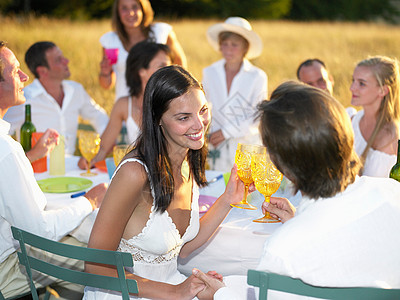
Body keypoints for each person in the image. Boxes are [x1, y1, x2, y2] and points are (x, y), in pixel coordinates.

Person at [191, 81, 400, 299]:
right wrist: (298, 220)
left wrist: (220, 295)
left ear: (281, 164)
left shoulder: (283, 250)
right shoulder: (394, 193)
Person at [84, 65, 248, 299]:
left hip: (169, 286)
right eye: (184, 117)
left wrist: (227, 200)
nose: (199, 125)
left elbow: (182, 248)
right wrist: (174, 291)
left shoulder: (186, 157)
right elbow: (95, 267)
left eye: (203, 110)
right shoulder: (135, 173)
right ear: (158, 119)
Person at [0, 41, 108, 299]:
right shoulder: (6, 149)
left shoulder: (7, 149)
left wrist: (32, 155)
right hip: (7, 270)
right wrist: (90, 201)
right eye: (15, 72)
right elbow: (40, 232)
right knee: (103, 255)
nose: (25, 76)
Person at [78, 41, 172, 170]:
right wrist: (89, 160)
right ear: (141, 71)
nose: (170, 71)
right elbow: (104, 147)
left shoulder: (175, 102)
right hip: (139, 175)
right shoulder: (124, 105)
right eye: (162, 66)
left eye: (170, 65)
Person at [4, 41, 109, 155]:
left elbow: (99, 118)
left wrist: (103, 148)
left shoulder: (76, 90)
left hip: (74, 167)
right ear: (43, 71)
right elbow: (2, 133)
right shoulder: (24, 99)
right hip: (40, 171)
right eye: (59, 60)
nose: (66, 61)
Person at [202, 16, 267, 172]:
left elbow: (258, 115)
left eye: (234, 45)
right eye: (224, 44)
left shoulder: (257, 76)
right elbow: (205, 105)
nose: (228, 49)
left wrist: (226, 132)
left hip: (247, 146)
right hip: (217, 146)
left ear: (245, 47)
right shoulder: (209, 72)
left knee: (248, 192)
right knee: (219, 189)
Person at [99, 0, 187, 102]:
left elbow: (181, 68)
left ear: (143, 9)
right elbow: (107, 85)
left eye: (135, 7)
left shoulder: (161, 33)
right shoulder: (112, 41)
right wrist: (105, 73)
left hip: (161, 104)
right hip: (126, 109)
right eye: (124, 8)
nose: (130, 13)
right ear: (117, 12)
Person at [350, 56, 400, 177]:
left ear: (383, 91)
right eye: (353, 81)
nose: (352, 88)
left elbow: (372, 190)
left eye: (362, 84)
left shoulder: (390, 137)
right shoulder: (353, 120)